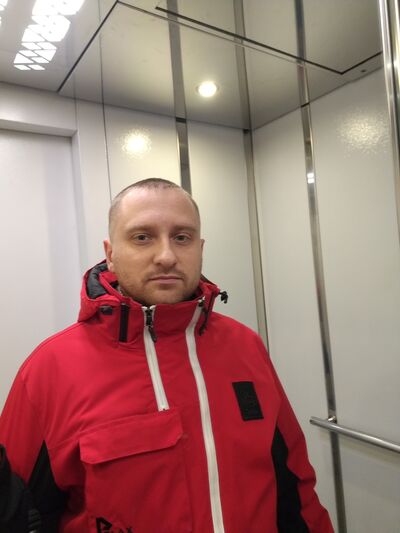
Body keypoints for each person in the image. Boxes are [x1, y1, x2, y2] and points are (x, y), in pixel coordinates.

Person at [0, 178, 333, 532]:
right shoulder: (49, 369)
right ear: (110, 254)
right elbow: (15, 511)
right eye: (142, 237)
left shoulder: (245, 346)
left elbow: (295, 485)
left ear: (200, 248)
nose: (167, 256)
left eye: (182, 237)